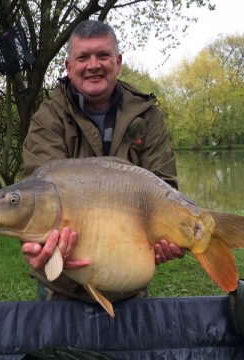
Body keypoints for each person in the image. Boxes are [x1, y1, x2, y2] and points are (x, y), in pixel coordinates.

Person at [21, 20, 185, 302]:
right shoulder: (48, 118)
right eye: (82, 57)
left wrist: (169, 237)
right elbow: (36, 198)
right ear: (68, 67)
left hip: (128, 276)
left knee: (133, 346)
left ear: (118, 62)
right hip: (62, 284)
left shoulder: (147, 116)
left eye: (103, 55)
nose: (93, 65)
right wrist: (34, 246)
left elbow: (165, 188)